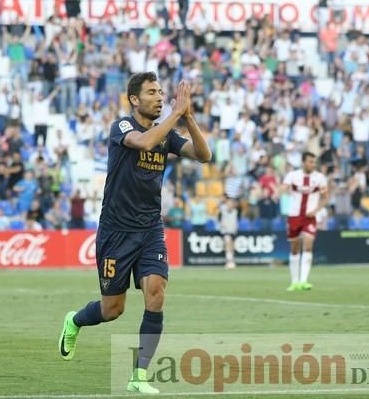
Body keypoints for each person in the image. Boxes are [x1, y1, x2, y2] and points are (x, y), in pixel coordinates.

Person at [58, 74, 211, 394]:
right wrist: (174, 115)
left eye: (161, 92)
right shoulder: (122, 128)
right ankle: (74, 321)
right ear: (134, 100)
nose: (159, 97)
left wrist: (189, 117)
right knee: (112, 310)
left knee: (156, 292)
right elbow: (144, 142)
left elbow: (203, 155)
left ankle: (139, 376)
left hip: (151, 228)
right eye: (152, 93)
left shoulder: (167, 134)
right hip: (116, 232)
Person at [278, 152, 328, 291]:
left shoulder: (319, 178)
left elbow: (325, 197)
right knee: (294, 249)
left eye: (314, 162)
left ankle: (304, 281)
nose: (312, 164)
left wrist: (316, 210)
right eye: (310, 162)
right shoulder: (293, 175)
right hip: (294, 216)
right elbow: (284, 187)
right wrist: (279, 191)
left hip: (309, 217)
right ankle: (294, 282)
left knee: (308, 245)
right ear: (303, 162)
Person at [218, 198, 239, 269]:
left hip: (233, 231)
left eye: (231, 203)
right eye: (228, 203)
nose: (230, 205)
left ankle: (231, 261)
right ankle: (229, 261)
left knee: (232, 246)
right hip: (226, 231)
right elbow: (219, 207)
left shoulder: (235, 211)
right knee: (227, 242)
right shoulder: (223, 211)